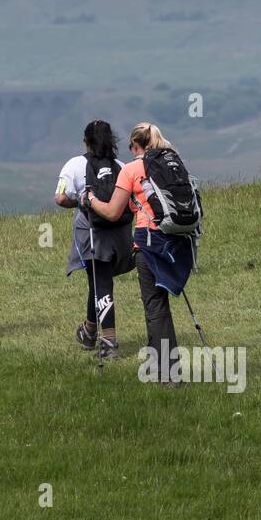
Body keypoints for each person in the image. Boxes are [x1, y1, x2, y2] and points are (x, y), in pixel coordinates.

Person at [85, 122, 193, 385]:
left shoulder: (131, 169)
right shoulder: (172, 161)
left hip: (150, 242)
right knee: (161, 303)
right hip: (179, 241)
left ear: (135, 145)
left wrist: (90, 200)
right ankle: (159, 366)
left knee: (155, 306)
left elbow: (111, 211)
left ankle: (168, 375)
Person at [55, 121, 135, 361]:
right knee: (99, 283)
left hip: (94, 234)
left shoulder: (75, 164)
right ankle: (90, 331)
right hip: (121, 235)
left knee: (102, 285)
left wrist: (81, 202)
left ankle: (109, 341)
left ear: (86, 142)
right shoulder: (122, 166)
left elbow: (60, 198)